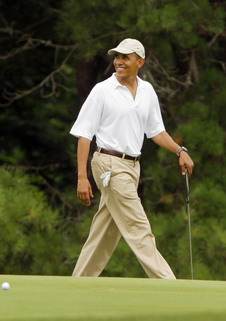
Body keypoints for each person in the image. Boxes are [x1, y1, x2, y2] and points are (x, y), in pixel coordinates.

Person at [69, 38, 194, 279]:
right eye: (117, 57)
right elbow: (84, 135)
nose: (118, 61)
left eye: (125, 57)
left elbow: (156, 131)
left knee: (105, 231)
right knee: (138, 227)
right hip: (108, 165)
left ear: (140, 61)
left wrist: (180, 151)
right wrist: (82, 177)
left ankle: (78, 284)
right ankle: (170, 285)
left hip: (132, 167)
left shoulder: (146, 91)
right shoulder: (102, 91)